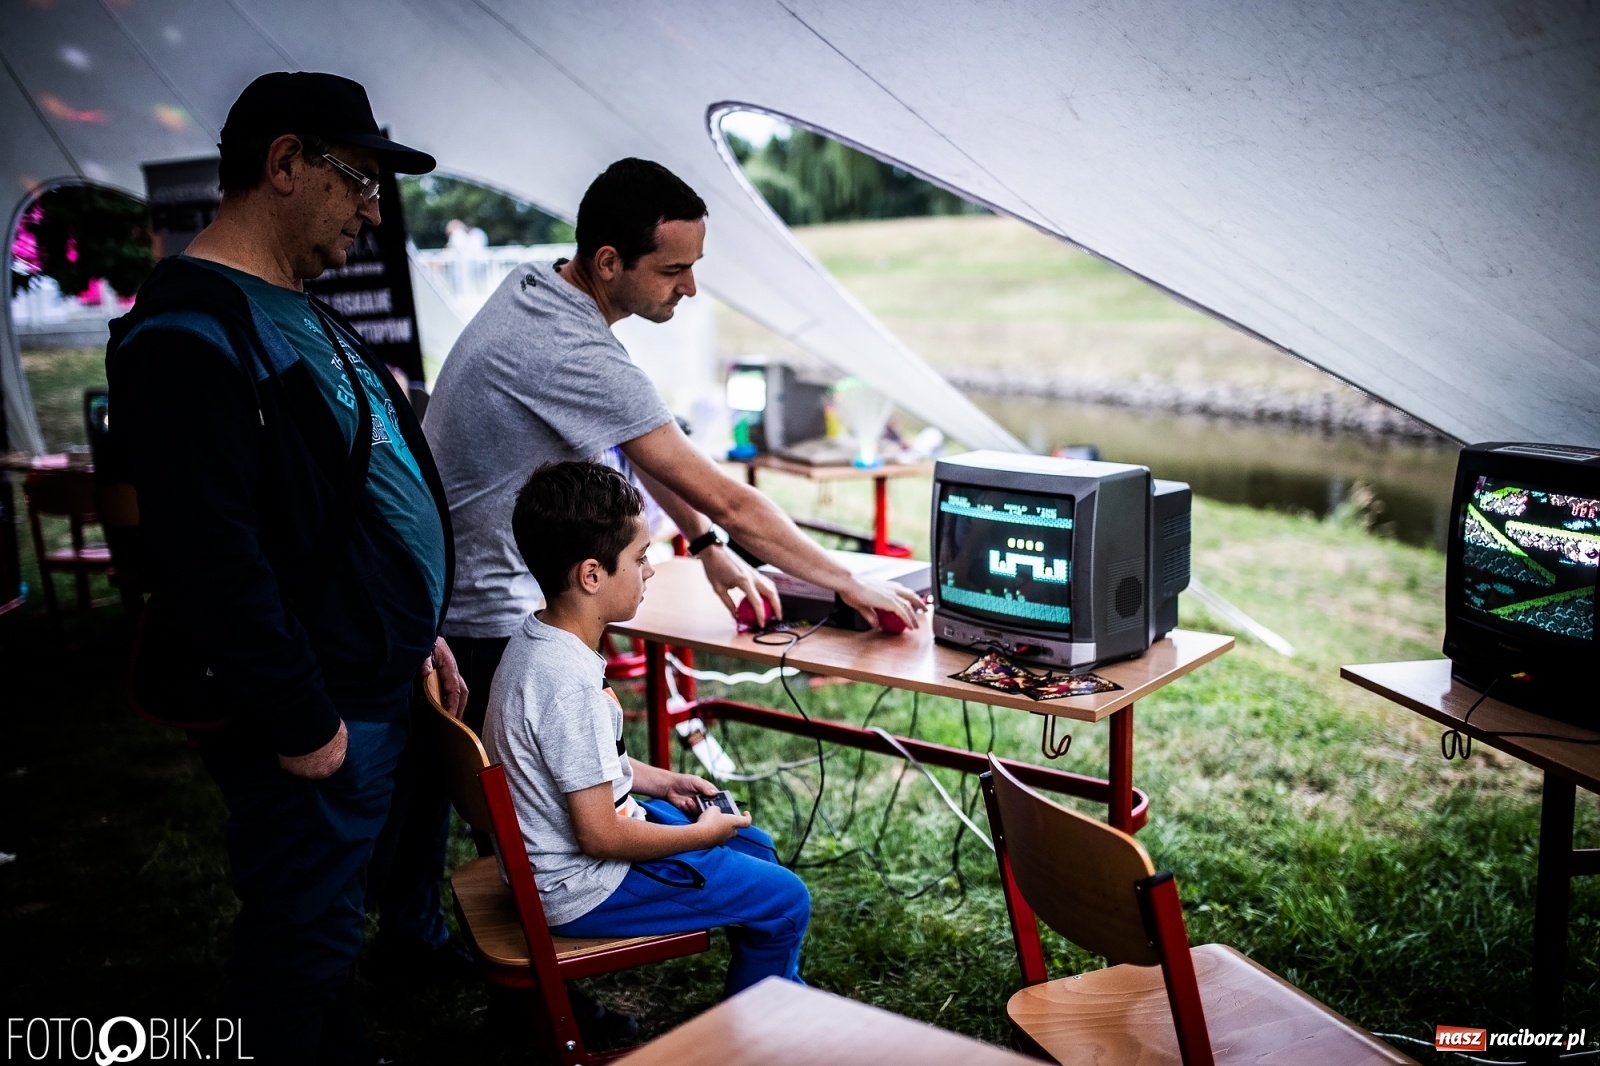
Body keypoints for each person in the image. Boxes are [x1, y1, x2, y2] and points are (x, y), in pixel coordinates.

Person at [104, 71, 466, 1065]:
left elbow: (344, 498)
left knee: (328, 916)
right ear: (284, 164)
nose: (371, 208)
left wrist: (412, 624)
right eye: (358, 180)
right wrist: (300, 715)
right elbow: (207, 558)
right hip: (319, 706)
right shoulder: (189, 336)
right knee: (299, 934)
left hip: (369, 674)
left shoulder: (293, 305)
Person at [424, 157, 925, 732]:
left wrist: (707, 545)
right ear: (609, 262)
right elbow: (733, 503)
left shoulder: (540, 282)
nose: (689, 287)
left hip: (458, 595)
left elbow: (644, 444)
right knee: (545, 815)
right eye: (673, 269)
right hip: (490, 619)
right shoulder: (574, 352)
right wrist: (849, 582)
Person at [482, 461, 809, 997]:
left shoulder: (538, 644)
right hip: (582, 887)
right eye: (640, 558)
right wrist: (695, 836)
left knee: (756, 846)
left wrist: (664, 783)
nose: (650, 571)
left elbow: (573, 761)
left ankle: (764, 974)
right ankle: (765, 1031)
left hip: (562, 860)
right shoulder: (566, 684)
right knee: (787, 898)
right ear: (592, 575)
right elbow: (600, 835)